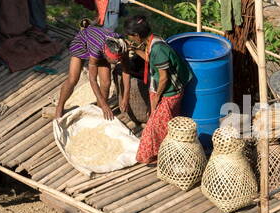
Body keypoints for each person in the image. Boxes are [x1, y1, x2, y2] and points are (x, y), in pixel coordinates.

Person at [125, 15, 192, 165]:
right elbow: (151, 60)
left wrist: (156, 98)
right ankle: (165, 153)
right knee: (164, 125)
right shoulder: (153, 41)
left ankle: (156, 156)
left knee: (154, 128)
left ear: (136, 35)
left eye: (131, 37)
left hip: (169, 93)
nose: (131, 39)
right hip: (163, 91)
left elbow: (164, 78)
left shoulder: (158, 49)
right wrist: (135, 50)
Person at [53, 20, 118, 120]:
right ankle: (59, 107)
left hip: (100, 45)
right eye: (113, 60)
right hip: (81, 44)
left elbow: (125, 70)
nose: (116, 62)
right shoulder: (96, 51)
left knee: (106, 82)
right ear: (106, 54)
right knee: (73, 79)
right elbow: (92, 79)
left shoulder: (120, 43)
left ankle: (100, 110)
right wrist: (106, 106)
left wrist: (125, 97)